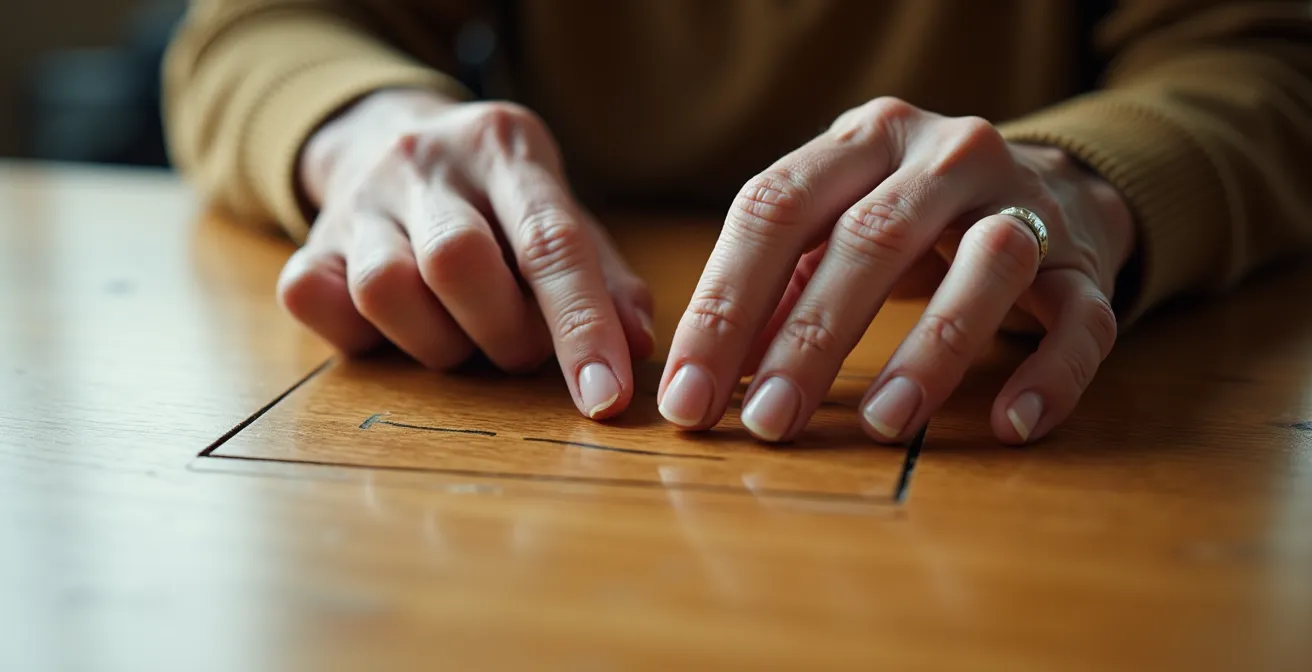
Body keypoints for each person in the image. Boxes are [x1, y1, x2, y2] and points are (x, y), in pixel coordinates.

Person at [162, 0, 1312, 445]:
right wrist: (371, 128)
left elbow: (1262, 60)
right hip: (544, 382)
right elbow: (254, 24)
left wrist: (1086, 185)